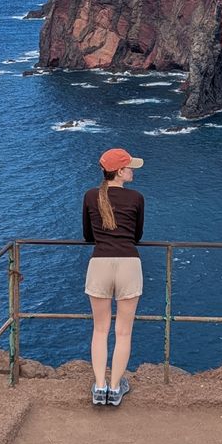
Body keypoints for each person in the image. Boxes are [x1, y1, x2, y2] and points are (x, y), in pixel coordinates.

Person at [82, 147, 145, 407]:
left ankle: (99, 387)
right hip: (129, 264)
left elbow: (88, 236)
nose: (133, 171)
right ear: (119, 171)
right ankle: (116, 387)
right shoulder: (136, 198)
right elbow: (137, 236)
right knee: (123, 332)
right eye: (130, 167)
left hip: (100, 263)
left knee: (100, 330)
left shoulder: (89, 196)